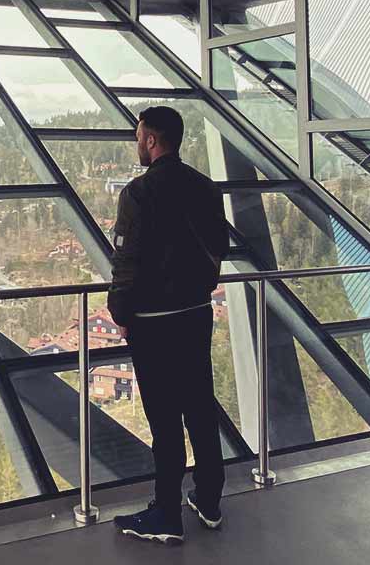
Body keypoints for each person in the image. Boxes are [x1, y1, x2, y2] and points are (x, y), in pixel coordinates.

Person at [108, 106, 229, 545]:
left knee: (164, 419)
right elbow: (219, 245)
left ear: (153, 141)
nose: (137, 144)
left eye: (140, 137)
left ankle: (166, 512)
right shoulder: (205, 188)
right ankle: (210, 499)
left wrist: (121, 313)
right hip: (195, 314)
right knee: (199, 405)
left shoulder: (138, 194)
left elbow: (127, 262)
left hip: (154, 323)